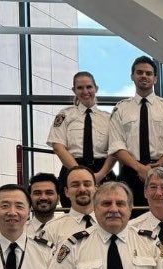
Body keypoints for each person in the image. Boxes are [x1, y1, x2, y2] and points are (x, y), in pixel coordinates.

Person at [108, 56, 163, 205]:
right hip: (130, 172)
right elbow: (116, 144)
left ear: (155, 78)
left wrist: (158, 166)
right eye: (139, 72)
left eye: (148, 73)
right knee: (128, 219)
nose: (144, 76)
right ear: (132, 76)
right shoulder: (120, 108)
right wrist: (139, 168)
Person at [46, 71, 115, 207]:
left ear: (96, 88)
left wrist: (101, 174)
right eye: (80, 88)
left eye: (89, 87)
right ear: (74, 90)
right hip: (72, 167)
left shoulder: (109, 118)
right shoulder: (65, 115)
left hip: (102, 171)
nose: (85, 91)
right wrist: (79, 173)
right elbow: (58, 146)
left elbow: (116, 148)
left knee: (105, 212)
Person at [26, 172, 63, 237]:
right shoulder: (19, 232)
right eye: (37, 193)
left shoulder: (69, 230)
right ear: (29, 199)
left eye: (49, 193)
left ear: (58, 199)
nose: (43, 197)